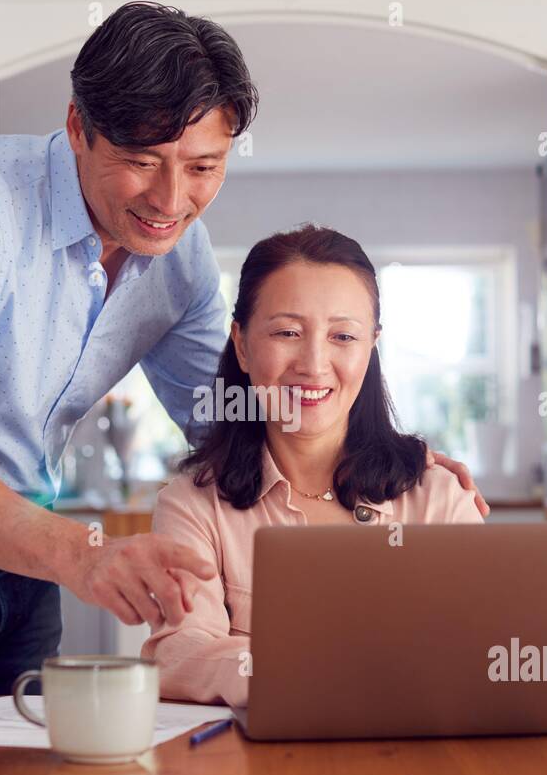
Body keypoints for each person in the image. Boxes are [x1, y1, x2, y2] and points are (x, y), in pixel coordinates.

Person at [0, 2, 488, 726]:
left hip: (27, 534)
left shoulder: (177, 258)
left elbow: (227, 407)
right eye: (140, 162)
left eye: (202, 167)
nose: (170, 200)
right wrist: (83, 555)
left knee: (27, 773)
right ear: (77, 127)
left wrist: (388, 456)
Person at [142, 225, 486, 707]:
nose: (314, 363)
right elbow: (178, 651)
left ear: (371, 347)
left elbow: (486, 647)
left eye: (343, 336)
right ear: (241, 344)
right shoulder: (193, 505)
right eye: (287, 332)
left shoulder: (437, 497)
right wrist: (304, 671)